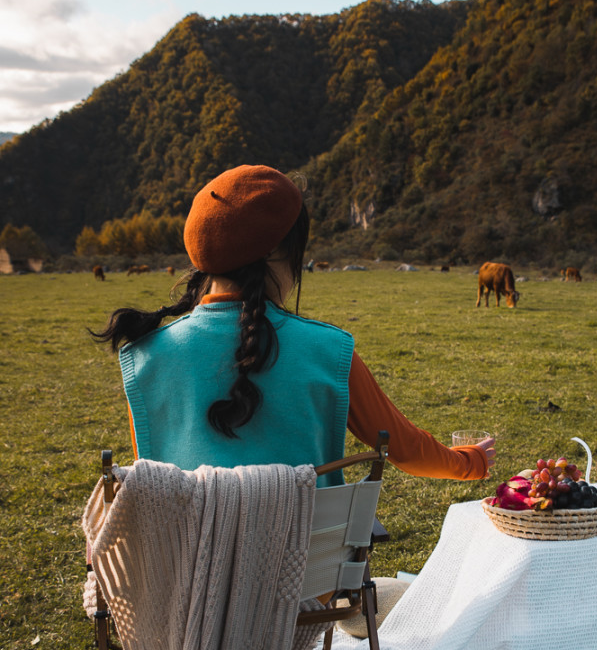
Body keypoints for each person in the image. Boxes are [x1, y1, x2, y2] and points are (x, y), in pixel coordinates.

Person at [92, 164, 495, 487]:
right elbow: (403, 447)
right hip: (306, 584)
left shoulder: (144, 357)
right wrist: (471, 461)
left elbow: (154, 485)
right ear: (282, 254)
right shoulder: (329, 351)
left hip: (185, 584)